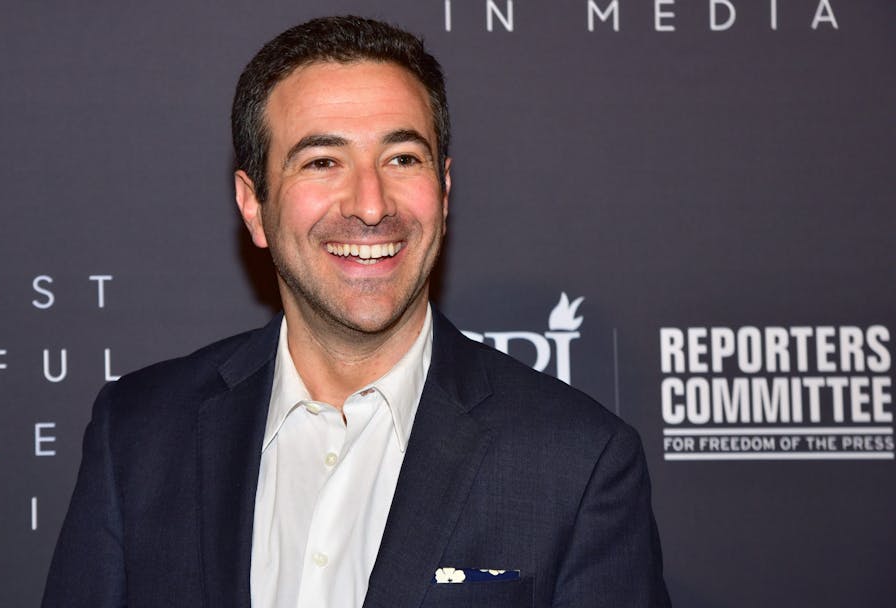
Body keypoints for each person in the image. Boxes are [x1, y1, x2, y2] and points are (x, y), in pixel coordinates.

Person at [42, 15, 670, 608]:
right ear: (254, 206)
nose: (371, 204)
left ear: (444, 192)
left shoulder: (576, 461)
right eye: (323, 161)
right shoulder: (139, 434)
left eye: (402, 159)